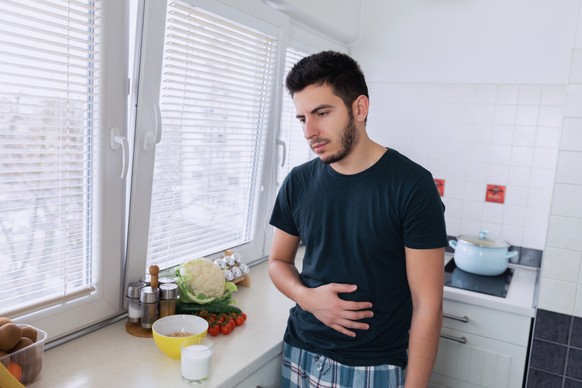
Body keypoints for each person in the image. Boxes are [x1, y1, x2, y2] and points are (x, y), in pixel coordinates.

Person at [268, 50, 448, 388]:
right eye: (302, 118)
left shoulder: (412, 186)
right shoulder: (298, 181)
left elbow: (429, 303)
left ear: (359, 108)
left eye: (322, 113)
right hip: (299, 352)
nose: (310, 131)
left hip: (372, 367)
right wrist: (307, 298)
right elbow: (278, 261)